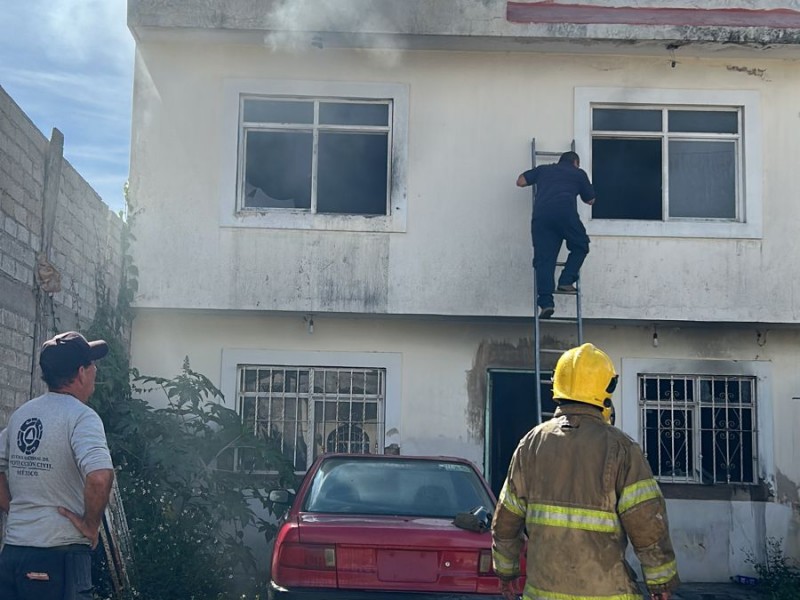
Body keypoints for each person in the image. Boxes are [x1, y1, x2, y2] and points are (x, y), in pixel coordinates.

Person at [491, 343, 679, 600]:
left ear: (557, 387)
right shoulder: (621, 448)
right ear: (605, 390)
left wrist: (506, 572)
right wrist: (661, 583)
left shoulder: (531, 444)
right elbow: (646, 522)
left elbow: (506, 520)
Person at [0, 331, 115, 600]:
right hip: (59, 558)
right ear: (81, 372)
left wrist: (12, 506)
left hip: (13, 555)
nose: (95, 371)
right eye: (92, 365)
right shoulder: (81, 418)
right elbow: (99, 477)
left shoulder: (22, 415)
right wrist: (89, 525)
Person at [516, 151, 595, 319]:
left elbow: (520, 181)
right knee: (581, 245)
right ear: (575, 162)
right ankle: (566, 280)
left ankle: (546, 303)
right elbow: (590, 200)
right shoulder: (578, 173)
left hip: (541, 217)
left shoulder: (544, 170)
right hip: (565, 214)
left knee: (544, 260)